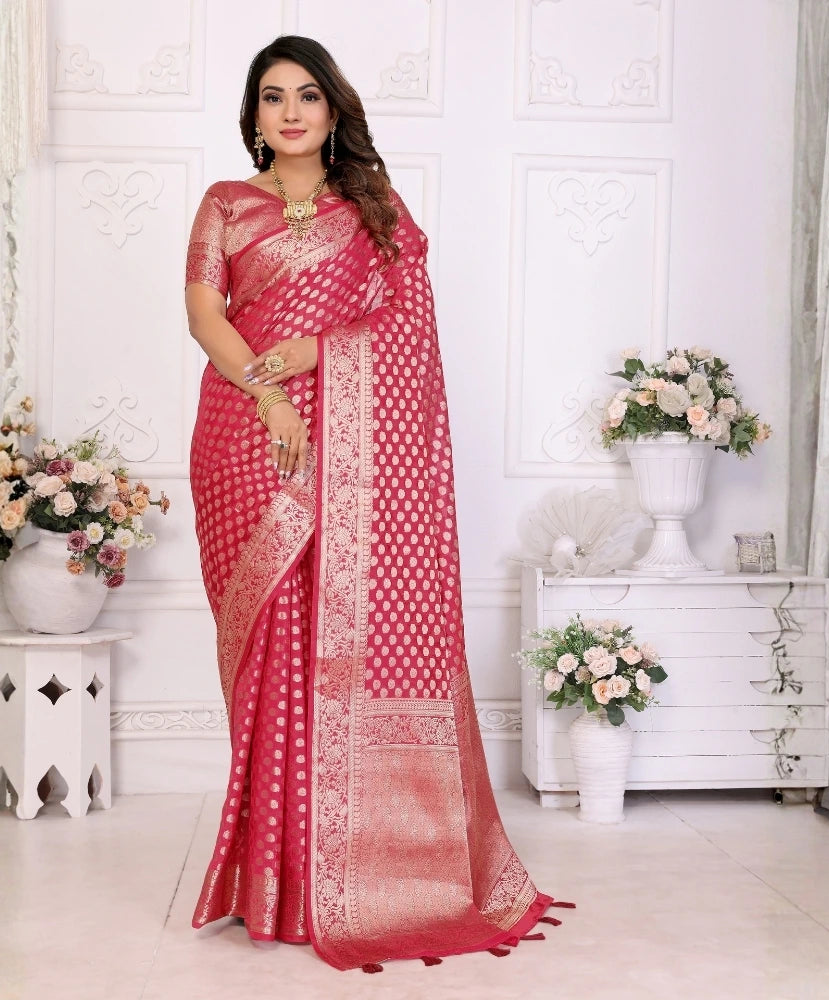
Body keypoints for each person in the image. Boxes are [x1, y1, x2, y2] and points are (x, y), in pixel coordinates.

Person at [184, 35, 568, 973]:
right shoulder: (227, 204)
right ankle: (269, 881)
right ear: (254, 114)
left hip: (355, 448)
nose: (290, 112)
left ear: (333, 108)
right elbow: (204, 315)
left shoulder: (374, 209)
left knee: (338, 645)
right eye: (272, 97)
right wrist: (270, 393)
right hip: (244, 434)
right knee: (273, 647)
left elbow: (405, 327)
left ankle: (350, 876)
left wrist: (315, 358)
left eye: (307, 95)